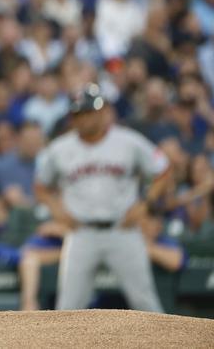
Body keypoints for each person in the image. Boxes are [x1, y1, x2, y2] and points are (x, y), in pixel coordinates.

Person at [34, 85, 172, 312]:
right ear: (73, 117)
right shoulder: (59, 149)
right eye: (80, 113)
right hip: (81, 233)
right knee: (68, 307)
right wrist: (57, 210)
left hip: (123, 230)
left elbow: (163, 170)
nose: (86, 118)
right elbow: (40, 186)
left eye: (90, 111)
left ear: (103, 111)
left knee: (145, 303)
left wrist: (145, 203)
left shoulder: (128, 141)